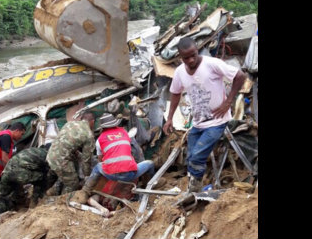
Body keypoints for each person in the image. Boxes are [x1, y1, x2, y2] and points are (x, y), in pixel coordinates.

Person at [163, 37, 246, 192]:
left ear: (197, 50)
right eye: (186, 57)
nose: (191, 59)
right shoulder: (180, 72)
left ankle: (195, 189)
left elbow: (240, 76)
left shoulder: (211, 64)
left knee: (197, 156)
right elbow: (175, 93)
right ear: (181, 57)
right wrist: (169, 119)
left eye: (193, 54)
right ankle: (196, 189)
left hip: (217, 121)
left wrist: (228, 102)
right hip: (198, 123)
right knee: (189, 158)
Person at [77, 113, 156, 203]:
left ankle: (85, 192)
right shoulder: (125, 133)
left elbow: (100, 159)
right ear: (116, 124)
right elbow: (134, 150)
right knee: (150, 163)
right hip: (130, 174)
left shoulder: (99, 140)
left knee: (97, 167)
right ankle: (149, 184)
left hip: (111, 175)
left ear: (102, 127)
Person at [0, 144, 57, 215]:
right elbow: (51, 171)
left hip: (6, 173)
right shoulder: (46, 154)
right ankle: (35, 202)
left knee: (4, 196)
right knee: (42, 179)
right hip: (20, 174)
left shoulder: (32, 150)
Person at [46, 112, 96, 195]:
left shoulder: (69, 124)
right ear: (92, 122)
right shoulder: (88, 135)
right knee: (73, 183)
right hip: (61, 160)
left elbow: (66, 143)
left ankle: (52, 191)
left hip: (50, 155)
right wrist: (87, 176)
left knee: (67, 174)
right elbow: (86, 160)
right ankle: (62, 202)